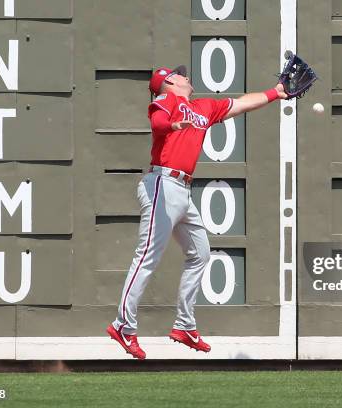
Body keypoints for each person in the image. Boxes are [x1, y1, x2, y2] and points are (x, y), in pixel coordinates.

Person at [106, 65, 287, 359]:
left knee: (200, 253)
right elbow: (157, 122)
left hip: (182, 191)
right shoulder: (167, 101)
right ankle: (123, 326)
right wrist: (173, 126)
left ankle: (184, 325)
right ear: (168, 83)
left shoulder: (202, 107)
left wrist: (275, 93)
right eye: (180, 75)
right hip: (162, 185)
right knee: (147, 257)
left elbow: (240, 104)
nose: (187, 76)